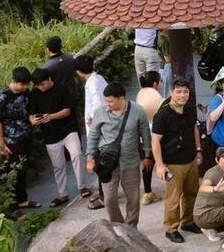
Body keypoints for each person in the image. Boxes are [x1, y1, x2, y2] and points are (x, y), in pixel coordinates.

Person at [84, 82, 151, 227]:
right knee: (109, 199)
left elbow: (145, 135)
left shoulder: (138, 111)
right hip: (107, 164)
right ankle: (118, 225)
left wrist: (147, 156)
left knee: (133, 199)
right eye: (105, 100)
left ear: (121, 98)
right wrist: (90, 158)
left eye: (110, 101)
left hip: (130, 162)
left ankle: (131, 227)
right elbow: (93, 136)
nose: (107, 104)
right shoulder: (100, 112)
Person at [150, 79, 202, 243]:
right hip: (173, 163)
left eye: (185, 92)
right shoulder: (163, 115)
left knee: (191, 193)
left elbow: (194, 129)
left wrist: (198, 150)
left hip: (191, 159)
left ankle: (188, 221)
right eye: (178, 92)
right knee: (173, 198)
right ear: (171, 92)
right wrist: (159, 165)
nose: (182, 95)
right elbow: (155, 140)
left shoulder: (189, 109)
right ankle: (171, 228)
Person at [27, 67, 84, 207]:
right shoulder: (34, 95)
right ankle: (62, 194)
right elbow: (31, 114)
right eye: (38, 85)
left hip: (68, 129)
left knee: (76, 154)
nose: (41, 87)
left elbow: (67, 111)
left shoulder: (62, 89)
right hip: (50, 134)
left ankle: (82, 186)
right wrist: (33, 120)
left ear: (49, 79)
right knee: (58, 165)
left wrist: (50, 116)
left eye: (43, 84)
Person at [0, 67, 37, 211]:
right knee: (16, 170)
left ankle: (21, 199)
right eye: (22, 84)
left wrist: (32, 119)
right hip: (12, 139)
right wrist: (1, 143)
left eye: (27, 85)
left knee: (23, 168)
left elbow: (30, 109)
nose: (25, 87)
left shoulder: (26, 92)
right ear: (14, 81)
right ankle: (18, 201)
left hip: (26, 135)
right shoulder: (2, 97)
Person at [75, 53, 107, 206]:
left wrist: (91, 118)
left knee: (100, 164)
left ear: (78, 72)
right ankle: (105, 194)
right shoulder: (99, 79)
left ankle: (104, 197)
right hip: (105, 127)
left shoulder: (93, 84)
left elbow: (98, 105)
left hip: (99, 131)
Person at [134, 70, 164, 204]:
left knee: (147, 164)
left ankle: (147, 192)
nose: (162, 83)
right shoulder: (155, 98)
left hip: (141, 136)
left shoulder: (141, 94)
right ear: (155, 84)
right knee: (157, 163)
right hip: (155, 136)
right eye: (161, 81)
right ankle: (149, 194)